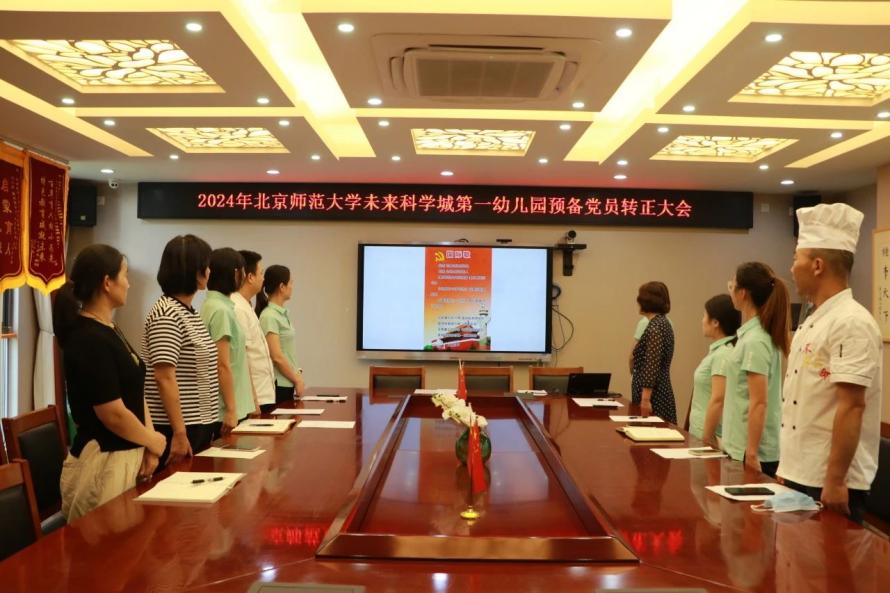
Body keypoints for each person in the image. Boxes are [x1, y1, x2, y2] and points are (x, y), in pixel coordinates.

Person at [779, 203, 881, 523]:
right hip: (801, 472)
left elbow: (851, 405)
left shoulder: (851, 322)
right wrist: (787, 468)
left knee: (828, 556)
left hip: (829, 481)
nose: (791, 268)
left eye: (796, 259)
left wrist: (835, 480)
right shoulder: (814, 319)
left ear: (817, 265)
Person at [54, 244, 166, 520]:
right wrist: (153, 440)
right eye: (125, 276)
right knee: (107, 544)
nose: (128, 284)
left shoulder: (109, 328)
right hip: (103, 462)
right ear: (107, 282)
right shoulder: (87, 338)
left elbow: (135, 391)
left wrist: (150, 446)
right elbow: (112, 413)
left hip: (127, 454)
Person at [143, 235, 220, 467]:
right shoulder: (167, 314)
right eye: (206, 265)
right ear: (194, 271)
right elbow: (164, 377)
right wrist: (179, 432)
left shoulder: (187, 311)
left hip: (198, 424)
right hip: (178, 428)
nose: (209, 271)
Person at [722, 262, 790, 478]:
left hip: (752, 452)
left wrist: (751, 453)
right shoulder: (751, 336)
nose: (730, 289)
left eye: (732, 285)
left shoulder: (756, 340)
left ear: (743, 293)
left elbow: (759, 402)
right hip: (739, 446)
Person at [201, 248, 254, 427]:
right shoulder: (221, 310)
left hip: (233, 405)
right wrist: (231, 410)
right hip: (226, 410)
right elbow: (222, 364)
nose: (244, 276)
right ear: (235, 273)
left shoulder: (215, 305)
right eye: (242, 271)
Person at [233, 250, 277, 414]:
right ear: (250, 277)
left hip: (262, 394)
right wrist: (253, 400)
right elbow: (242, 358)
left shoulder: (246, 305)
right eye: (261, 273)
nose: (263, 279)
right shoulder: (237, 308)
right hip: (254, 398)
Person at [695, 295, 741, 445]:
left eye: (704, 316)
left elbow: (718, 399)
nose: (702, 320)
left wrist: (707, 439)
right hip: (698, 432)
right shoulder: (718, 352)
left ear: (715, 322)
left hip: (708, 437)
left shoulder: (723, 355)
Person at [256, 265, 305, 403]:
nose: (292, 286)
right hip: (279, 385)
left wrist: (297, 374)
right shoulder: (269, 316)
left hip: (288, 381)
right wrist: (297, 380)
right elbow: (276, 356)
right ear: (282, 287)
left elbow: (287, 352)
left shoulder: (281, 314)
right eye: (291, 282)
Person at [631, 281, 676, 423]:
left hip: (654, 397)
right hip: (659, 391)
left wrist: (645, 399)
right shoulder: (662, 323)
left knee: (652, 433)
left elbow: (651, 364)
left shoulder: (655, 327)